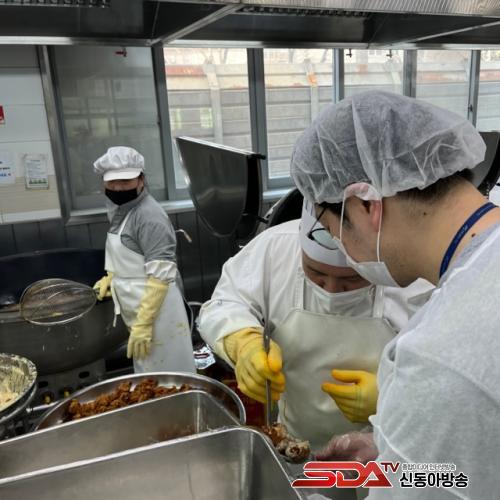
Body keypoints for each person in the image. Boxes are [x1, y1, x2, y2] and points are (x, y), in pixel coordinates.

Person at [291, 90, 500, 498]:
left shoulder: (436, 360)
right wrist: (393, 453)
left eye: (333, 231)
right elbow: (465, 473)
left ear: (366, 204)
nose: (345, 253)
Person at [199, 198, 432, 450]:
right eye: (316, 273)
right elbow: (224, 303)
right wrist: (244, 342)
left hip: (387, 451)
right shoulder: (275, 248)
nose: (331, 290)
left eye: (352, 279)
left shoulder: (414, 272)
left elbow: (448, 376)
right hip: (295, 446)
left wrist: (393, 396)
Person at [93, 146, 195, 374]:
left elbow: (160, 276)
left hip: (158, 315)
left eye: (126, 181)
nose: (118, 187)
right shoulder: (122, 208)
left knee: (169, 375)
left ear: (141, 180)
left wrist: (144, 324)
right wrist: (113, 277)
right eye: (112, 182)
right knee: (149, 372)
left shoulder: (149, 216)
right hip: (140, 308)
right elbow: (132, 254)